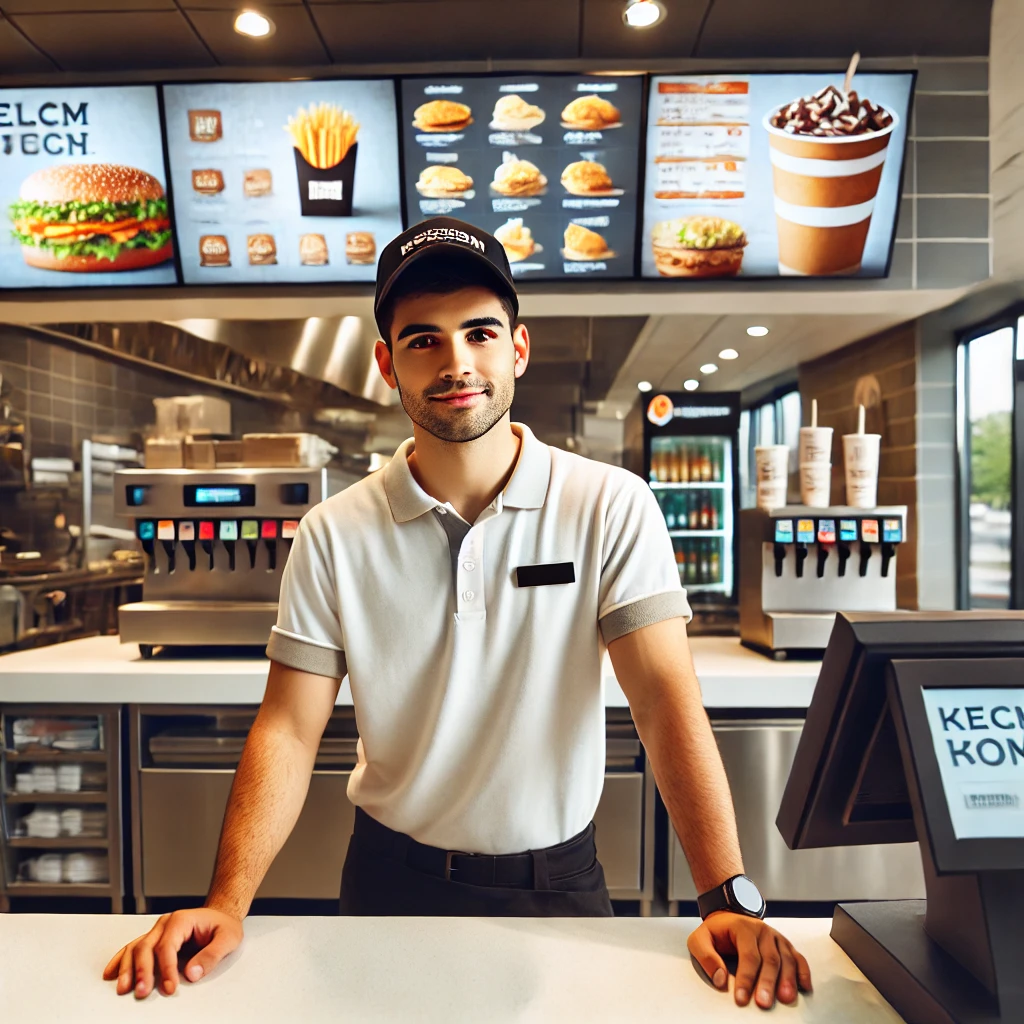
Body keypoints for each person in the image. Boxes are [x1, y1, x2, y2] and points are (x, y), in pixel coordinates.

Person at [104, 218, 812, 1010]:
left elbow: (664, 704)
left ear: (518, 346)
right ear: (386, 363)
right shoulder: (334, 533)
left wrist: (725, 896)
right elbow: (288, 729)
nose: (456, 363)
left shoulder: (609, 504)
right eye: (423, 340)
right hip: (387, 883)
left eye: (479, 332)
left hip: (561, 883)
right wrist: (226, 903)